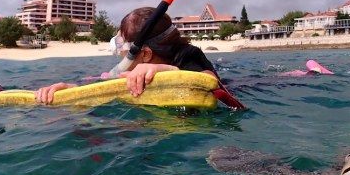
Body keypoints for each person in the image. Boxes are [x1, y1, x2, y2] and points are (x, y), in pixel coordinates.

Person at [35, 7, 245, 108]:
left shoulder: (187, 55)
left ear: (144, 53)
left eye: (121, 45)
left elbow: (210, 81)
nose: (120, 53)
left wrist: (164, 70)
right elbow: (104, 85)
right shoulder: (128, 74)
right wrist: (70, 90)